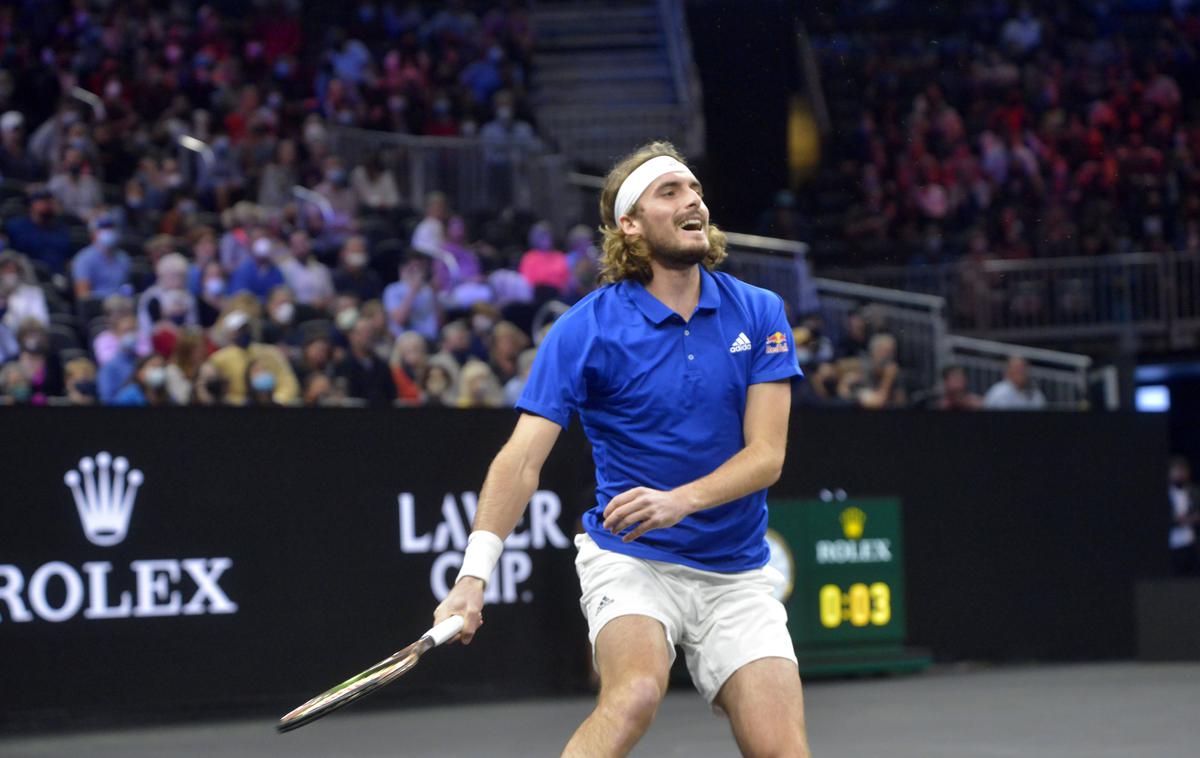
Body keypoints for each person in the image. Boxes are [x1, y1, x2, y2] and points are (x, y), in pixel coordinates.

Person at [432, 141, 810, 757]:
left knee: (781, 750)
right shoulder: (585, 328)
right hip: (632, 560)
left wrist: (679, 501)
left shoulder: (759, 310)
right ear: (630, 224)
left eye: (695, 190)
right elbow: (521, 460)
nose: (693, 200)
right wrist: (472, 577)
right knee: (633, 694)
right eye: (670, 192)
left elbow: (767, 454)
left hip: (737, 570)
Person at [1168, 456, 1200, 577]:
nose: (1180, 475)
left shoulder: (1195, 493)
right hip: (1172, 546)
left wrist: (1188, 519)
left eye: (1183, 471)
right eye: (1177, 471)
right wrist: (1180, 520)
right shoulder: (1165, 494)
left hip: (1191, 545)